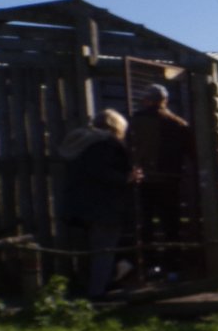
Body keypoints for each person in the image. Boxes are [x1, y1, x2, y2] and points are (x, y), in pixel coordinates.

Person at [60, 109, 135, 298]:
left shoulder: (79, 144)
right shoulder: (108, 145)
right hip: (105, 208)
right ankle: (97, 294)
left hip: (78, 207)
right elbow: (103, 173)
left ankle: (84, 292)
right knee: (104, 252)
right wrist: (128, 177)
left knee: (86, 253)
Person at [128, 83, 194, 276]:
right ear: (165, 100)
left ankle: (148, 265)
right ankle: (173, 265)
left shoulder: (134, 121)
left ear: (146, 100)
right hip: (170, 181)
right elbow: (192, 153)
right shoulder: (179, 123)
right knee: (171, 224)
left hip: (142, 181)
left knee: (144, 225)